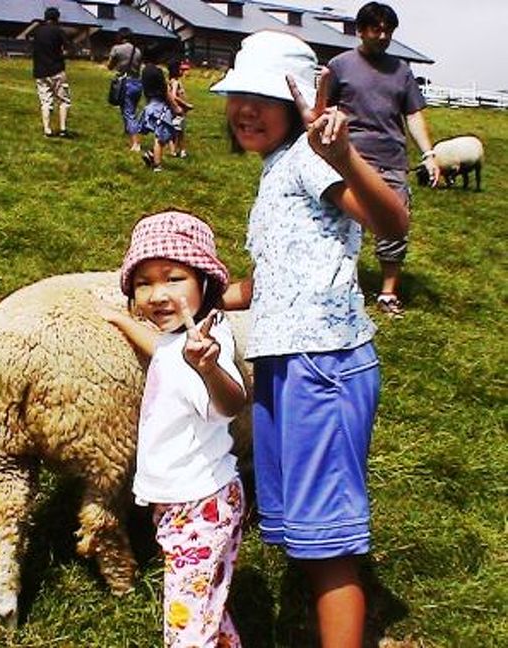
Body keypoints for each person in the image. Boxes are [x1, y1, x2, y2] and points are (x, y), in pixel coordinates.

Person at [210, 31, 408, 648]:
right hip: (285, 360)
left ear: (300, 106)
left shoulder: (308, 159)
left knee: (329, 545)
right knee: (304, 526)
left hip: (322, 362)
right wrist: (207, 294)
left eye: (263, 97)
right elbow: (274, 277)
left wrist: (346, 156)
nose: (245, 108)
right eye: (239, 94)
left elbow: (391, 221)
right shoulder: (277, 171)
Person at [102, 210, 247, 647]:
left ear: (205, 281)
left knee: (185, 627)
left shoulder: (205, 349)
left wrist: (208, 370)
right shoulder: (179, 341)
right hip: (185, 502)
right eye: (144, 282)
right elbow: (166, 354)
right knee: (204, 610)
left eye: (173, 278)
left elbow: (231, 403)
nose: (157, 294)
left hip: (200, 506)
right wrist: (127, 324)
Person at [327, 2, 439, 318]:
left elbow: (414, 114)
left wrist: (429, 154)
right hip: (348, 158)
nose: (383, 35)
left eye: (388, 29)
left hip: (391, 160)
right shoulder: (340, 66)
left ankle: (388, 293)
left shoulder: (402, 71)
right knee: (339, 224)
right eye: (376, 28)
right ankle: (338, 286)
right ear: (361, 30)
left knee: (394, 225)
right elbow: (323, 108)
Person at [30, 7, 72, 138]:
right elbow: (68, 48)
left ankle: (47, 130)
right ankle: (63, 129)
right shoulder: (59, 31)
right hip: (57, 69)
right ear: (57, 18)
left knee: (46, 102)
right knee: (64, 100)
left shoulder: (37, 32)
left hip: (40, 71)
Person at [139, 45, 177, 172]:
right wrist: (175, 107)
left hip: (150, 104)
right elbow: (165, 92)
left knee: (165, 134)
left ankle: (151, 155)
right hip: (160, 105)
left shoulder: (144, 71)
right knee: (161, 136)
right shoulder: (157, 71)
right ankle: (157, 165)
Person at [107, 27, 143, 152]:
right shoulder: (137, 50)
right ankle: (128, 134)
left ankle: (136, 143)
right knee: (130, 110)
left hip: (125, 83)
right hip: (137, 83)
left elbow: (109, 66)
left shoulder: (117, 49)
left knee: (128, 113)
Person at [167, 59, 194, 158]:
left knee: (178, 131)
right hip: (178, 110)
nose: (183, 71)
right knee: (178, 132)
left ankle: (178, 150)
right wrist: (186, 105)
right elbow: (174, 96)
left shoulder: (172, 81)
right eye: (180, 69)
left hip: (176, 111)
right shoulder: (175, 82)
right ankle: (177, 151)